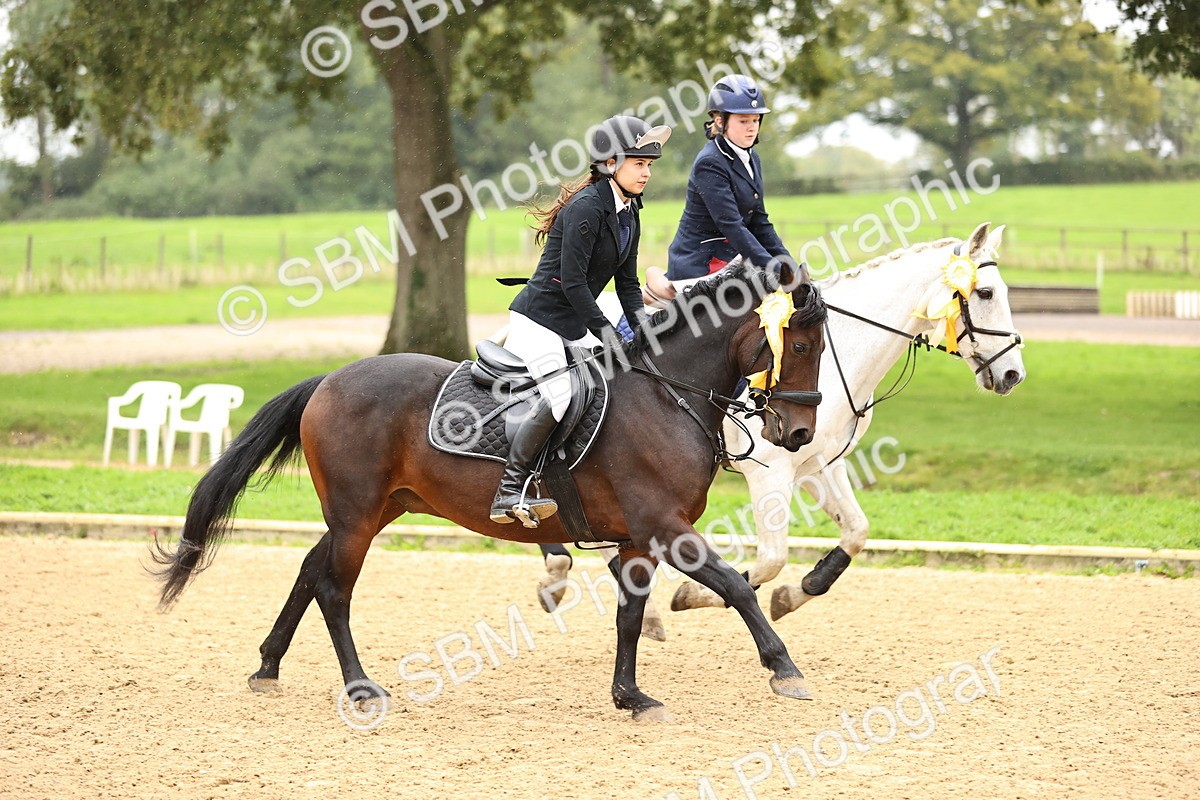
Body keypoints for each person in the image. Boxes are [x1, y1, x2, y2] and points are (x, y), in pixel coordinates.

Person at [493, 115, 671, 527]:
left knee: (611, 390)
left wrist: (642, 331)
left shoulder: (629, 210)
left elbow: (628, 283)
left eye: (649, 165)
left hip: (572, 324)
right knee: (559, 396)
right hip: (539, 320)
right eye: (638, 163)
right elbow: (573, 284)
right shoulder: (587, 208)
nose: (646, 172)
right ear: (610, 163)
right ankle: (509, 489)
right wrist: (608, 336)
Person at [648, 74, 791, 302]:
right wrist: (771, 266)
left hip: (734, 258)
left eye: (755, 120)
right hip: (701, 265)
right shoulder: (710, 162)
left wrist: (787, 264)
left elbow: (759, 221)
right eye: (744, 121)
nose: (752, 128)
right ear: (720, 120)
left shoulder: (753, 159)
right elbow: (731, 224)